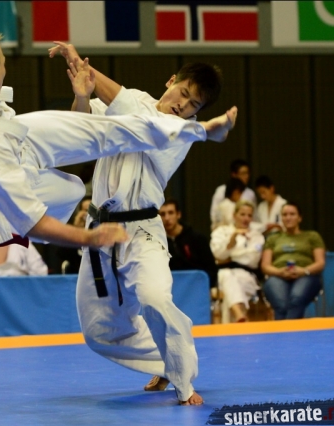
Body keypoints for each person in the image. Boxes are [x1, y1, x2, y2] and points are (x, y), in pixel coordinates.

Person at [0, 28, 236, 252]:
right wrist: (88, 238)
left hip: (15, 135)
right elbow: (36, 224)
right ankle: (205, 130)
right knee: (70, 189)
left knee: (102, 136)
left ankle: (204, 130)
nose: (6, 67)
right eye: (3, 63)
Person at [49, 42, 236, 405]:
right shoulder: (134, 100)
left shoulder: (180, 131)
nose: (183, 105)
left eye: (194, 104)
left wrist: (84, 66)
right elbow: (81, 128)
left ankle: (184, 379)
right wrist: (83, 94)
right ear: (170, 81)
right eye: (183, 93)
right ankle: (167, 361)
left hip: (142, 231)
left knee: (154, 298)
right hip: (100, 232)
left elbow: (137, 117)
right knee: (98, 331)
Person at [260, 202, 325, 320]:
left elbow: (320, 263)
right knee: (281, 303)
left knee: (296, 298)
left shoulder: (312, 236)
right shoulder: (273, 238)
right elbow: (265, 265)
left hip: (306, 275)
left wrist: (303, 271)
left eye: (292, 214)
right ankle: (290, 330)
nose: (288, 218)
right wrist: (279, 272)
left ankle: (284, 330)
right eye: (284, 215)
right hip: (278, 275)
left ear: (300, 218)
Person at [210, 201, 264, 323]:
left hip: (246, 275)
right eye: (242, 214)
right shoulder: (221, 232)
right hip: (222, 274)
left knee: (228, 296)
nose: (246, 218)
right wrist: (231, 242)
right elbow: (216, 255)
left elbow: (252, 259)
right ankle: (239, 315)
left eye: (249, 215)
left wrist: (228, 255)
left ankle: (236, 316)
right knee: (227, 275)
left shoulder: (257, 236)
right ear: (234, 215)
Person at [159, 199, 218, 288]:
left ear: (178, 214)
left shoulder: (197, 239)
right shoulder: (156, 243)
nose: (167, 218)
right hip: (170, 289)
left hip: (197, 288)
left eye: (171, 213)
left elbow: (211, 270)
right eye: (163, 214)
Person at [209, 159, 256, 224]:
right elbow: (214, 214)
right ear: (234, 174)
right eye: (243, 173)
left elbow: (254, 215)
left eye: (248, 173)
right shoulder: (221, 190)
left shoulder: (250, 193)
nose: (246, 176)